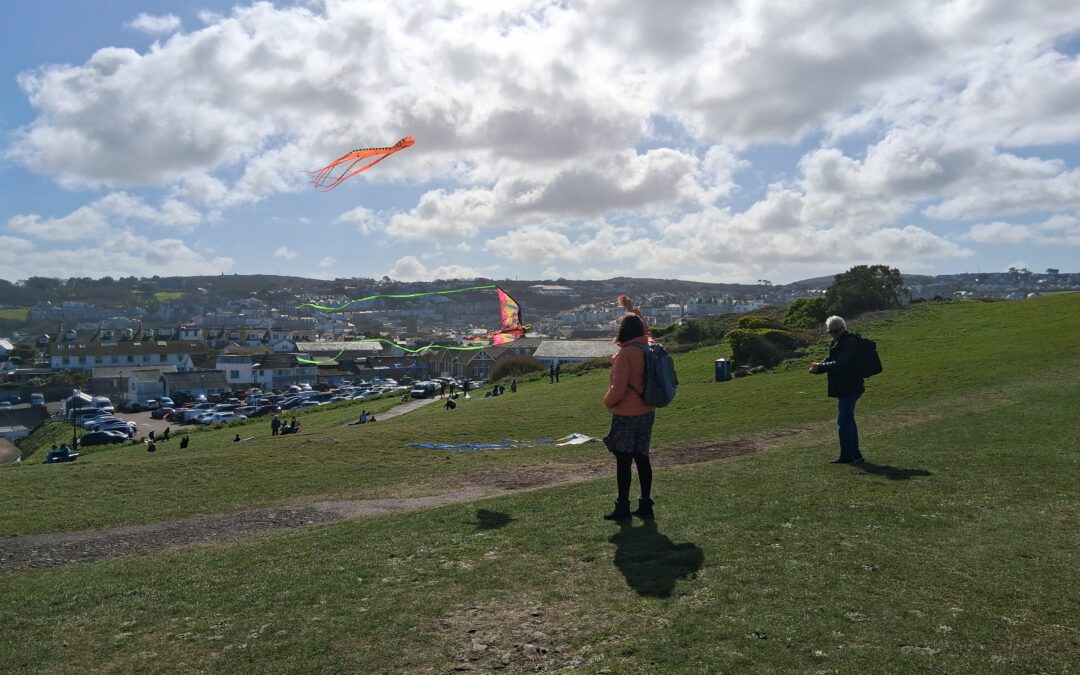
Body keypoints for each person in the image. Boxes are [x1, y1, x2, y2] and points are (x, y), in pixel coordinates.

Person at [601, 313, 657, 521]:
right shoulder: (649, 346)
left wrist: (607, 402)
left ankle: (622, 506)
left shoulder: (626, 354)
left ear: (623, 332)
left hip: (626, 414)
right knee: (642, 458)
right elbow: (648, 332)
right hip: (647, 411)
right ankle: (646, 504)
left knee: (624, 461)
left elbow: (619, 388)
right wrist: (634, 310)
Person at [809, 315, 866, 464]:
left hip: (851, 386)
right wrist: (820, 366)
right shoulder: (838, 342)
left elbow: (841, 364)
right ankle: (855, 455)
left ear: (842, 328)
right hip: (846, 386)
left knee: (843, 421)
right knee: (848, 420)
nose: (833, 334)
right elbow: (832, 360)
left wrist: (821, 367)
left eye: (835, 331)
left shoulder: (850, 343)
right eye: (830, 332)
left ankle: (848, 455)